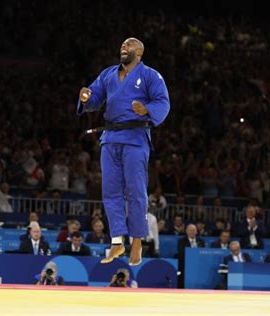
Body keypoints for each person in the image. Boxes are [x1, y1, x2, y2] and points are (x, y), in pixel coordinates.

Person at [77, 37, 170, 266]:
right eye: (122, 45)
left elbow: (163, 102)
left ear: (139, 52)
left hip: (135, 138)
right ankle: (117, 241)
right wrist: (86, 98)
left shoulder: (150, 75)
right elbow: (95, 96)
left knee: (136, 191)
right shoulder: (109, 73)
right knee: (110, 192)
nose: (123, 47)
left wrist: (146, 109)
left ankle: (137, 241)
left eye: (128, 45)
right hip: (110, 138)